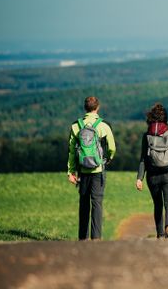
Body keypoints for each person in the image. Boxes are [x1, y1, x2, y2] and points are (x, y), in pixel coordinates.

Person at [67, 96, 116, 240]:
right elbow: (112, 148)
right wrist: (108, 159)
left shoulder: (76, 126)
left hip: (82, 171)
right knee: (97, 204)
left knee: (84, 204)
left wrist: (71, 171)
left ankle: (82, 238)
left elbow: (71, 151)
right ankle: (96, 239)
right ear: (97, 107)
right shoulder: (103, 126)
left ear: (85, 108)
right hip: (98, 170)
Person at [135, 103, 168, 238]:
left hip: (152, 175)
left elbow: (143, 158)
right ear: (165, 118)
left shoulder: (147, 136)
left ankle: (160, 234)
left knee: (157, 205)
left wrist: (139, 178)